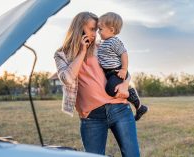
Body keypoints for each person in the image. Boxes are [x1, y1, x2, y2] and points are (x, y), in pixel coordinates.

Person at [54, 12, 140, 157]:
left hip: (119, 109)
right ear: (79, 28)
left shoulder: (102, 47)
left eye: (97, 29)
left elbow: (122, 69)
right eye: (92, 29)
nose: (96, 34)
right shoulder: (61, 54)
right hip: (91, 116)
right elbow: (67, 78)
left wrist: (125, 84)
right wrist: (82, 51)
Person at [97, 12, 148, 121]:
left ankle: (134, 98)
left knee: (111, 90)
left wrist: (124, 69)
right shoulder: (103, 42)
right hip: (109, 73)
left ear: (111, 30)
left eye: (100, 29)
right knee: (112, 89)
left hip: (117, 71)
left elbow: (124, 54)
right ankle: (140, 108)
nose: (98, 31)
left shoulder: (114, 41)